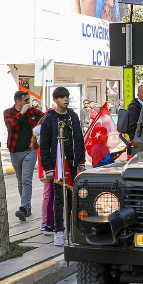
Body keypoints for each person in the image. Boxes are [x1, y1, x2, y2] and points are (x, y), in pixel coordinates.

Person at [39, 86, 86, 247]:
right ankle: (59, 231)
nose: (65, 99)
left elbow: (79, 138)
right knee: (59, 198)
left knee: (74, 198)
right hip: (57, 165)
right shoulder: (49, 118)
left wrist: (81, 161)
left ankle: (73, 230)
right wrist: (48, 168)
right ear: (55, 100)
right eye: (61, 97)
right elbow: (44, 145)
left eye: (66, 96)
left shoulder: (73, 116)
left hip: (72, 163)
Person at [3, 91, 43, 222]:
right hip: (15, 151)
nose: (28, 103)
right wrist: (21, 114)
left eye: (29, 100)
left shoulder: (32, 111)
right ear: (18, 102)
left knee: (26, 181)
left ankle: (24, 207)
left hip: (30, 150)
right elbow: (10, 127)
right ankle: (27, 207)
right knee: (20, 182)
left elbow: (45, 117)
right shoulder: (8, 112)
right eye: (26, 100)